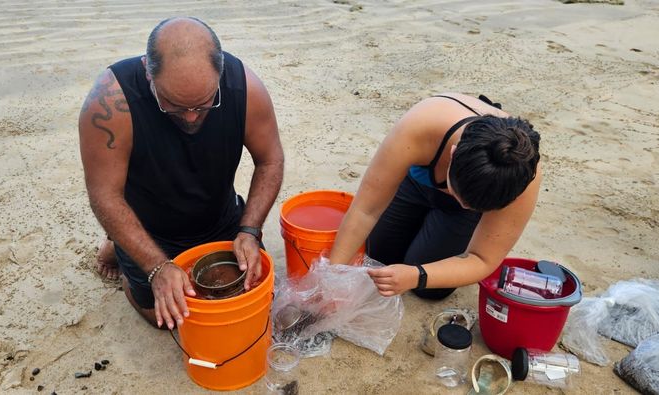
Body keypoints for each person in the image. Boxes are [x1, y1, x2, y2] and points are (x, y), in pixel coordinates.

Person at [78, 17, 284, 329]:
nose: (190, 117)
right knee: (171, 320)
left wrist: (250, 230)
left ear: (220, 73)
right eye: (173, 104)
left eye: (203, 105)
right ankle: (121, 254)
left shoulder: (245, 88)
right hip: (149, 228)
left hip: (219, 217)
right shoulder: (109, 104)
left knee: (251, 295)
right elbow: (104, 194)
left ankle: (119, 247)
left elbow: (270, 160)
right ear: (148, 71)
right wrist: (156, 267)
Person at [328, 93, 541, 299]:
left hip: (463, 205)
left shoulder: (520, 175)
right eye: (458, 195)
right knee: (380, 258)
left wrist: (417, 275)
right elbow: (366, 210)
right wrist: (332, 277)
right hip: (416, 184)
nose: (465, 206)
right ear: (452, 154)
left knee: (430, 289)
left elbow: (483, 259)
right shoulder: (421, 125)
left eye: (475, 207)